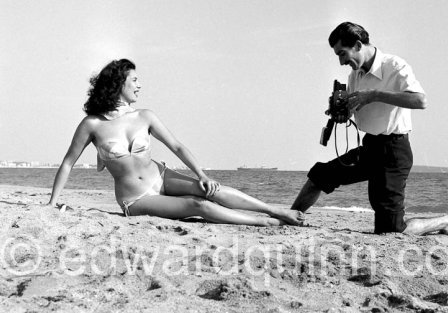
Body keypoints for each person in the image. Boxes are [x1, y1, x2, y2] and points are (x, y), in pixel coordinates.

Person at [48, 59, 304, 226]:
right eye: (134, 80)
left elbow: (177, 146)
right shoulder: (92, 125)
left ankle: (274, 210)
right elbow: (68, 163)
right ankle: (264, 223)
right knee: (198, 205)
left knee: (209, 190)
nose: (140, 85)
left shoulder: (144, 115)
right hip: (136, 199)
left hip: (160, 175)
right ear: (118, 85)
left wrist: (201, 174)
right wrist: (51, 203)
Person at [291, 22, 448, 235]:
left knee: (391, 229)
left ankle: (446, 221)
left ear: (358, 45)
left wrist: (373, 95)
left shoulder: (395, 66)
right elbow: (353, 109)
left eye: (343, 54)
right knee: (320, 176)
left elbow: (420, 100)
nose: (342, 62)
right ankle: (290, 217)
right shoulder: (355, 75)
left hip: (394, 151)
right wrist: (341, 113)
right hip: (369, 147)